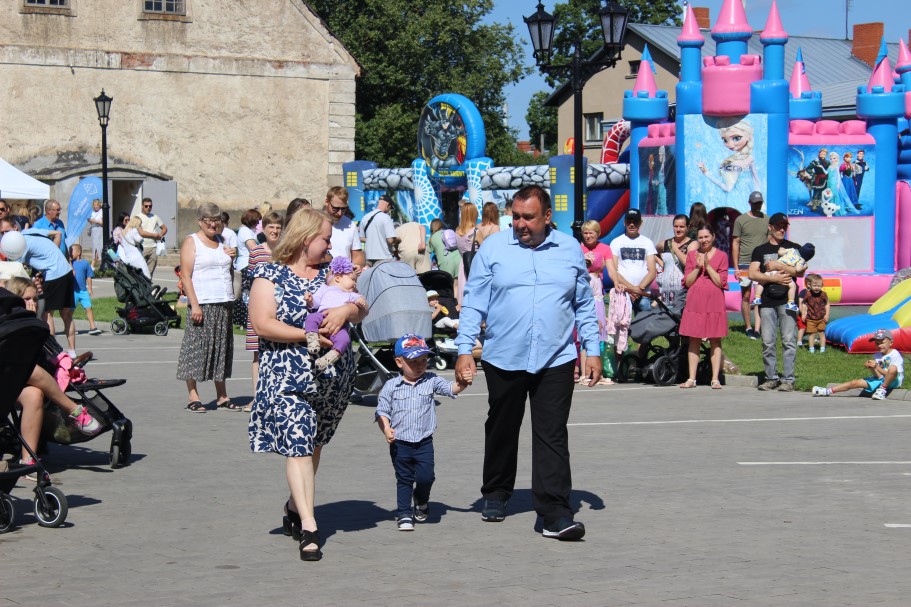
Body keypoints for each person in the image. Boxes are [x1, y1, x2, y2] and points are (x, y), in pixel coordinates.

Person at [454, 184, 601, 541]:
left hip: (556, 356)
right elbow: (474, 301)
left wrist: (593, 348)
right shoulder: (493, 248)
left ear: (547, 216)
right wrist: (463, 349)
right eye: (516, 216)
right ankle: (496, 491)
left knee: (552, 433)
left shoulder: (569, 249)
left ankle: (554, 512)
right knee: (502, 426)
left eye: (528, 217)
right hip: (505, 356)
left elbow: (583, 302)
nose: (520, 224)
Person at [248, 207, 368, 562]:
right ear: (305, 239)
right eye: (325, 239)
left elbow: (360, 306)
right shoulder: (268, 274)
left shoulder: (330, 274)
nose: (330, 245)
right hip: (287, 377)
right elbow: (262, 324)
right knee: (299, 445)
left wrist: (346, 312)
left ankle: (293, 506)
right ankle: (310, 526)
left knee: (313, 446)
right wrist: (306, 335)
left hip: (331, 380)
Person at [375, 334, 467, 531]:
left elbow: (451, 388)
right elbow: (382, 411)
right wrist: (386, 428)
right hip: (400, 443)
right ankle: (404, 514)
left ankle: (421, 499)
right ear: (399, 362)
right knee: (404, 479)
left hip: (424, 442)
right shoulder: (391, 386)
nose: (419, 366)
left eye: (423, 360)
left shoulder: (431, 380)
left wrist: (463, 382)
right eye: (413, 362)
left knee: (427, 478)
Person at [176, 203, 237, 412]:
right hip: (202, 302)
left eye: (216, 220)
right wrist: (194, 304)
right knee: (196, 349)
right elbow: (185, 276)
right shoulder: (191, 241)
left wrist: (232, 258)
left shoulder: (223, 241)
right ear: (200, 221)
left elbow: (227, 271)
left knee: (221, 349)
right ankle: (193, 396)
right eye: (208, 220)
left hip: (224, 301)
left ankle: (222, 395)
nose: (213, 224)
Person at [0, 218, 78, 357]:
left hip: (54, 274)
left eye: (7, 231)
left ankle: (52, 352)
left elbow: (16, 269)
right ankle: (72, 351)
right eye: (2, 233)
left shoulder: (21, 243)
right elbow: (58, 234)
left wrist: (48, 263)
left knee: (46, 314)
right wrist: (52, 255)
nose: (5, 235)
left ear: (15, 228)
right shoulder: (31, 231)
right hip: (65, 270)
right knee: (66, 314)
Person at [749, 213, 806, 392]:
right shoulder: (760, 250)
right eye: (778, 226)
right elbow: (752, 273)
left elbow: (800, 272)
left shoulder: (794, 248)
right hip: (767, 301)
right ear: (770, 227)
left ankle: (788, 380)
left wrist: (779, 266)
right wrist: (773, 278)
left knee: (789, 340)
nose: (782, 229)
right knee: (767, 341)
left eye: (784, 226)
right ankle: (771, 378)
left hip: (787, 301)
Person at [678, 226, 728, 389]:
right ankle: (691, 378)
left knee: (715, 339)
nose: (704, 240)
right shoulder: (691, 256)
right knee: (694, 338)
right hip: (695, 301)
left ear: (713, 237)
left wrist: (709, 266)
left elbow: (720, 282)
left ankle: (715, 378)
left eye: (707, 236)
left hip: (714, 301)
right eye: (700, 237)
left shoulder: (722, 256)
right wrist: (698, 267)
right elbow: (688, 282)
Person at [243, 211, 282, 407]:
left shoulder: (286, 252)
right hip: (259, 307)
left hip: (281, 308)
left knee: (278, 352)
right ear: (263, 230)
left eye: (278, 227)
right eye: (271, 227)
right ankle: (257, 398)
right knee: (257, 354)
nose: (274, 231)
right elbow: (251, 280)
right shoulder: (256, 252)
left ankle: (276, 397)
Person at [304, 256, 366, 372]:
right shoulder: (325, 288)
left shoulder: (350, 294)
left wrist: (361, 300)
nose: (355, 283)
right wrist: (311, 300)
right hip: (322, 316)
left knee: (345, 339)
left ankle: (329, 358)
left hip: (339, 327)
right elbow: (316, 301)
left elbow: (361, 302)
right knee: (311, 318)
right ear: (337, 278)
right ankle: (312, 338)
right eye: (352, 279)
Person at [813, 329, 903, 400]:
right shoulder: (877, 355)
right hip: (881, 380)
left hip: (894, 381)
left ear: (891, 343)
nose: (879, 345)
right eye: (877, 343)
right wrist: (872, 368)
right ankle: (827, 391)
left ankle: (882, 390)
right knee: (854, 382)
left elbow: (892, 374)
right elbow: (879, 376)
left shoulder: (895, 354)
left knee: (892, 368)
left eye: (882, 343)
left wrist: (877, 367)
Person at [579, 219, 616, 385]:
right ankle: (584, 373)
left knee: (599, 331)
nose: (588, 236)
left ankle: (597, 372)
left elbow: (612, 271)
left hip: (597, 293)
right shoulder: (578, 248)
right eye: (585, 233)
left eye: (591, 233)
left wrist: (618, 283)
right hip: (582, 292)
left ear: (598, 233)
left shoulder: (605, 249)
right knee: (584, 333)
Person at [731, 191, 767, 339]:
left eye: (760, 202)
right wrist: (736, 267)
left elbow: (770, 241)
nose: (758, 205)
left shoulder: (767, 219)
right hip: (745, 263)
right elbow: (735, 243)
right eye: (755, 202)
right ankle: (748, 327)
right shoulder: (741, 220)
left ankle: (757, 329)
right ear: (750, 203)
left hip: (761, 264)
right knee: (746, 296)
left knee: (759, 297)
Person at [609, 208, 657, 314]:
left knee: (645, 323)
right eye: (629, 221)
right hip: (623, 292)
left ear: (640, 223)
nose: (632, 224)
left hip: (644, 294)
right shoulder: (616, 242)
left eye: (635, 221)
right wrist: (631, 289)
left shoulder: (647, 242)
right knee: (621, 323)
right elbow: (613, 270)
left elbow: (652, 271)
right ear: (624, 222)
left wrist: (639, 289)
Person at [696, 118, 760, 197]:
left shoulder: (735, 163)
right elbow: (756, 180)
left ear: (748, 136)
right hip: (748, 197)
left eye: (736, 138)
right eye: (725, 140)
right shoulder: (749, 158)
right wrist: (759, 198)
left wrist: (706, 173)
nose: (730, 145)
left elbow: (727, 188)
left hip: (735, 198)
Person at [751, 242, 815, 313]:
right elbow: (798, 269)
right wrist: (805, 266)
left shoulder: (792, 250)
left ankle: (757, 297)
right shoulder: (801, 260)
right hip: (783, 273)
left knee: (761, 281)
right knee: (793, 286)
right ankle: (791, 303)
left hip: (772, 270)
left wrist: (782, 249)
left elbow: (780, 252)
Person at [656, 214, 693, 306]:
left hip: (683, 292)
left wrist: (675, 249)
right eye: (676, 226)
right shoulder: (664, 243)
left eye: (681, 227)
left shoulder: (693, 244)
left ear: (688, 228)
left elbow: (687, 262)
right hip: (666, 292)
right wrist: (662, 266)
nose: (678, 229)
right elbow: (653, 253)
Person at [322, 187, 365, 268]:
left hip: (345, 274)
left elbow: (357, 255)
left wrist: (356, 267)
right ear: (327, 202)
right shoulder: (315, 222)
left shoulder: (351, 225)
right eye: (335, 208)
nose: (340, 213)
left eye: (343, 209)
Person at [69, 244, 102, 336]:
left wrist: (90, 288)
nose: (70, 253)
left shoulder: (85, 263)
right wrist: (69, 261)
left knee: (89, 308)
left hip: (83, 291)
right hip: (73, 291)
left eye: (71, 251)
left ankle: (92, 327)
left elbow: (89, 276)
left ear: (78, 252)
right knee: (70, 311)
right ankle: (69, 327)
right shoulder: (70, 264)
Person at [360, 194, 398, 266]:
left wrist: (373, 240)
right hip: (383, 257)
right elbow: (390, 240)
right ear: (387, 205)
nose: (389, 210)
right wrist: (397, 239)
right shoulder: (386, 217)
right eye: (390, 208)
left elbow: (361, 238)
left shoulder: (365, 217)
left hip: (368, 257)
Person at [455, 202, 479, 308]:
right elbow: (485, 251)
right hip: (474, 266)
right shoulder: (475, 232)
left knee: (464, 297)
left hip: (463, 265)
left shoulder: (457, 231)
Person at [137, 197, 167, 277]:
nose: (148, 208)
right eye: (146, 206)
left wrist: (160, 235)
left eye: (150, 206)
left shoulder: (155, 217)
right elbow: (142, 233)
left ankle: (148, 283)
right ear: (142, 206)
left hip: (153, 247)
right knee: (140, 269)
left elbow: (164, 228)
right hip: (142, 247)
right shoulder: (138, 217)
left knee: (150, 271)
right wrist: (155, 235)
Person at [801, 274, 829, 353]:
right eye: (814, 285)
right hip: (811, 318)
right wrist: (803, 313)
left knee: (821, 333)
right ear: (810, 285)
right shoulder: (808, 294)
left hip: (821, 318)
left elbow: (827, 304)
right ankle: (811, 348)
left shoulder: (823, 294)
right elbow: (804, 303)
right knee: (812, 334)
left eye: (818, 286)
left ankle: (822, 348)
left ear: (822, 285)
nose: (816, 287)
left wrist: (827, 314)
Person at [87, 199, 104, 270]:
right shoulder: (93, 213)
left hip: (99, 229)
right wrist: (90, 221)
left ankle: (93, 265)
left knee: (98, 247)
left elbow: (103, 222)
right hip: (94, 230)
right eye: (94, 205)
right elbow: (92, 222)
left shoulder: (102, 212)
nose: (96, 206)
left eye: (97, 205)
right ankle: (95, 265)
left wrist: (95, 221)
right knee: (95, 247)